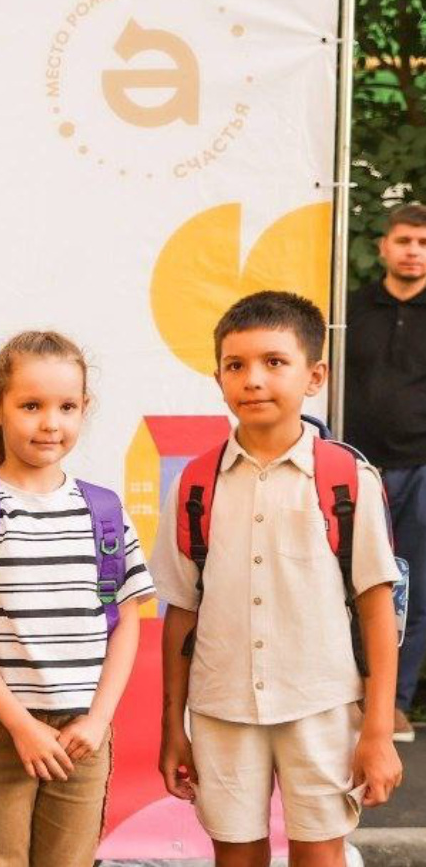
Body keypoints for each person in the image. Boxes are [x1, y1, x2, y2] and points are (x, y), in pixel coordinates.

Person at [154, 292, 404, 867]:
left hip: (322, 706)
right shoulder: (194, 485)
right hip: (221, 709)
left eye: (274, 362)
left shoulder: (348, 480)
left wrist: (378, 731)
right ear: (218, 378)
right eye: (235, 365)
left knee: (320, 853)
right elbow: (182, 612)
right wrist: (173, 725)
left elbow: (376, 609)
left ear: (314, 376)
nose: (253, 379)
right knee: (235, 854)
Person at [0, 331, 153, 866]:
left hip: (82, 730)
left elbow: (127, 621)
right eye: (31, 406)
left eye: (66, 407)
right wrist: (19, 724)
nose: (51, 422)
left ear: (84, 409)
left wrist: (98, 719)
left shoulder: (105, 511)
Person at [344, 201, 426, 741]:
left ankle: (394, 703)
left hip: (421, 470)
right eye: (404, 241)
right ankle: (354, 697)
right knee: (353, 584)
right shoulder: (351, 309)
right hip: (357, 468)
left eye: (422, 243)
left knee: (413, 588)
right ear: (383, 247)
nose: (413, 252)